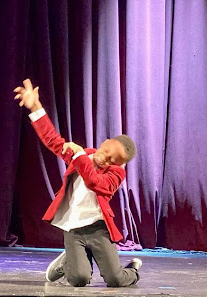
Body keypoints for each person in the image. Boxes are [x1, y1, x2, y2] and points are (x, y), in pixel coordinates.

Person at [14, 78, 141, 287]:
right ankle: (67, 263)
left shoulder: (116, 174)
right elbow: (52, 140)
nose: (106, 160)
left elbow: (94, 182)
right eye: (107, 152)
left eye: (112, 161)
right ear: (105, 143)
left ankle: (133, 270)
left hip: (98, 229)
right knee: (79, 279)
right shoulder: (81, 155)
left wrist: (80, 155)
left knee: (115, 279)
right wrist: (35, 106)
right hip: (74, 228)